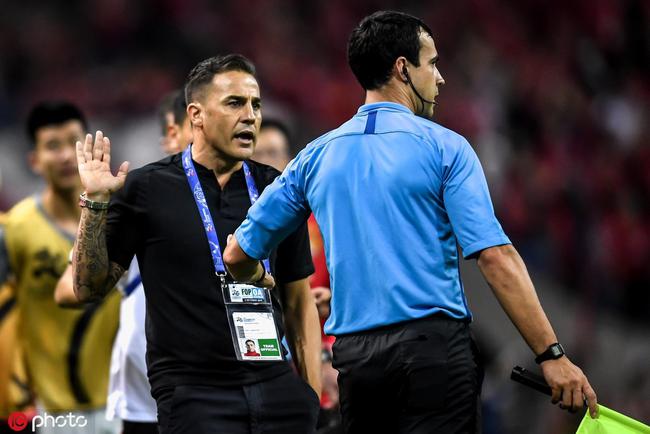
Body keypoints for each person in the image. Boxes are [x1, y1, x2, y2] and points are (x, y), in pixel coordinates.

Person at [223, 11, 598, 434]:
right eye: (432, 63)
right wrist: (550, 355)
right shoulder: (446, 148)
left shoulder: (314, 157)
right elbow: (494, 257)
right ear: (403, 68)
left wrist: (260, 278)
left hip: (358, 365)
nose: (440, 78)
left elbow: (236, 255)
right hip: (433, 356)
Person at [71, 54, 322, 434]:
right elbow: (87, 288)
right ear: (196, 115)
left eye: (255, 105)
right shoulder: (146, 189)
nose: (250, 116)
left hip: (275, 386)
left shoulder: (277, 188)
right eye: (235, 103)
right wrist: (94, 204)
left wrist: (310, 398)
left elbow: (298, 300)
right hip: (195, 395)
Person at [54, 89, 193, 434]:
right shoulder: (142, 200)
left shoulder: (244, 200)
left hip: (221, 389)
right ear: (171, 135)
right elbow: (69, 290)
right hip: (144, 399)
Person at [0, 102, 120, 434]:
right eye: (53, 146)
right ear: (34, 161)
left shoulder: (121, 220)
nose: (67, 155)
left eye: (74, 142)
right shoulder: (15, 229)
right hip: (50, 412)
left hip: (124, 402)